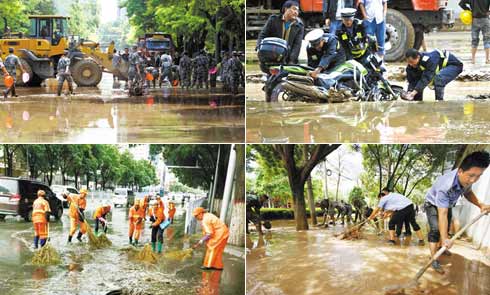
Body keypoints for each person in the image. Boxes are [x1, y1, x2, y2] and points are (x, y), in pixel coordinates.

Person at [424, 151, 490, 273]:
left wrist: (480, 205)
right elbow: (442, 214)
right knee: (436, 230)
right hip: (432, 204)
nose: (473, 180)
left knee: (446, 228)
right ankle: (434, 259)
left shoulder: (466, 179)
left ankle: (441, 247)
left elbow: (468, 193)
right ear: (460, 171)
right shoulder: (445, 185)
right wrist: (444, 238)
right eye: (471, 175)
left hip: (447, 204)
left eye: (478, 176)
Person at [256, 1, 304, 72]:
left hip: (287, 58)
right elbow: (262, 35)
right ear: (285, 9)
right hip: (272, 54)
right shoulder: (273, 20)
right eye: (294, 9)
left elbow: (297, 45)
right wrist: (258, 48)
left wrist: (291, 61)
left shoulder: (299, 26)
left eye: (297, 10)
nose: (296, 12)